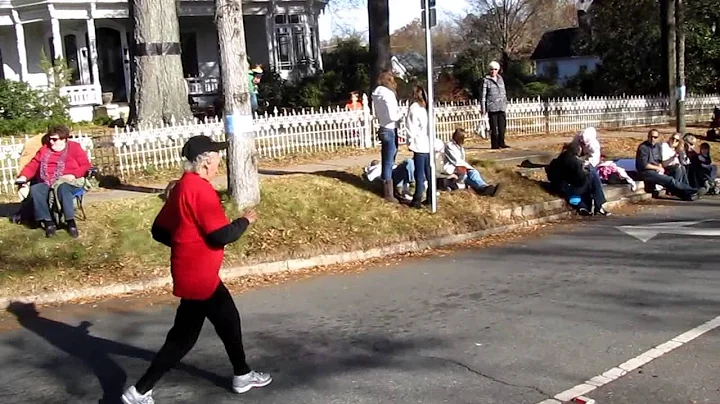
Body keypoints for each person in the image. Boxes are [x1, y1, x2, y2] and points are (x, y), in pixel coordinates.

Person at [121, 135, 271, 404]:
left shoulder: (181, 187)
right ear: (205, 163)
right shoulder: (201, 191)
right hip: (200, 277)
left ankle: (242, 374)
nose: (219, 165)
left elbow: (159, 231)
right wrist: (245, 221)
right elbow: (220, 236)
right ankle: (139, 391)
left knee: (224, 321)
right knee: (183, 339)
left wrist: (185, 243)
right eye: (216, 160)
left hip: (191, 270)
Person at [15, 125, 91, 238]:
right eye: (50, 138)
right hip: (47, 181)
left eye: (54, 139)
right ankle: (48, 223)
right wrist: (24, 177)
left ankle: (70, 222)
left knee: (62, 188)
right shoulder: (44, 149)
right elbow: (33, 165)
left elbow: (85, 165)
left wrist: (73, 174)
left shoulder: (74, 147)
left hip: (69, 180)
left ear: (64, 139)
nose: (51, 142)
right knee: (36, 189)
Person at [546, 142, 610, 216]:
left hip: (561, 188)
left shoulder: (556, 161)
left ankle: (582, 206)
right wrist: (586, 171)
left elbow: (550, 176)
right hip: (572, 188)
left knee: (575, 193)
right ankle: (598, 205)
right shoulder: (573, 161)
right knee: (592, 174)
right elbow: (580, 179)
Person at [635, 129, 701, 201]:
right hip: (646, 172)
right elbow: (644, 165)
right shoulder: (643, 147)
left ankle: (687, 196)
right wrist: (658, 167)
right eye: (651, 137)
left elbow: (659, 160)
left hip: (656, 170)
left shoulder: (657, 147)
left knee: (669, 183)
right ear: (648, 137)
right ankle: (691, 189)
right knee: (670, 180)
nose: (653, 139)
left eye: (655, 137)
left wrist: (659, 166)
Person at [371, 70, 402, 203]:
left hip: (383, 127)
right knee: (389, 160)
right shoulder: (388, 94)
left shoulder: (376, 93)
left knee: (387, 158)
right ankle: (388, 192)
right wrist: (400, 113)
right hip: (390, 128)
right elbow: (392, 116)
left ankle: (387, 184)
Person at [443, 128, 501, 197]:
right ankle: (482, 189)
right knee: (467, 175)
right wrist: (468, 167)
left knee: (473, 173)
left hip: (460, 167)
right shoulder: (450, 146)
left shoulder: (459, 147)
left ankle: (484, 187)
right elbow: (456, 161)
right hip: (451, 168)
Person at [480, 61, 508, 150]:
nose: (493, 71)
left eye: (495, 69)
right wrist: (483, 109)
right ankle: (495, 144)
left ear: (498, 70)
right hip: (492, 107)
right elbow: (483, 96)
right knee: (494, 128)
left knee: (502, 127)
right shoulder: (486, 80)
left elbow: (504, 92)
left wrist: (505, 103)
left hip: (501, 106)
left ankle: (502, 143)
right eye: (491, 69)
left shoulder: (501, 79)